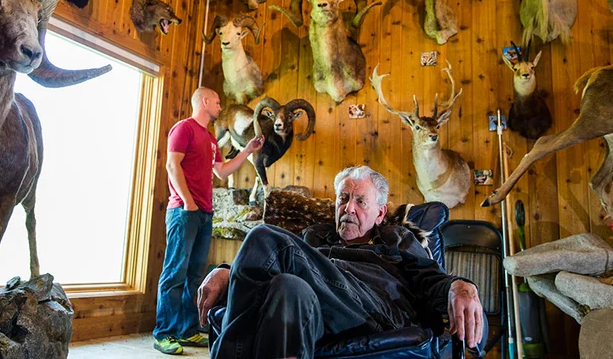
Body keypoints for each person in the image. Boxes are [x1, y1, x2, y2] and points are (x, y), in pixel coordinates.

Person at [197, 165, 484, 359]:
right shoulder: (315, 236)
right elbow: (268, 266)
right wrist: (226, 271)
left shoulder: (396, 238)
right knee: (287, 286)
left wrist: (461, 286)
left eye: (361, 201)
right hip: (318, 313)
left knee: (263, 236)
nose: (348, 207)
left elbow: (431, 279)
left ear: (380, 213)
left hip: (373, 311)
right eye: (343, 198)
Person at [153, 87, 264, 355]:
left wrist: (247, 150)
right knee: (175, 272)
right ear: (204, 102)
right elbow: (172, 166)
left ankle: (187, 330)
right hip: (184, 211)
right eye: (216, 102)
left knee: (194, 276)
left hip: (204, 214)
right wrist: (188, 203)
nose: (219, 106)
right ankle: (164, 333)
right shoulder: (184, 128)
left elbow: (222, 171)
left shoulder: (210, 137)